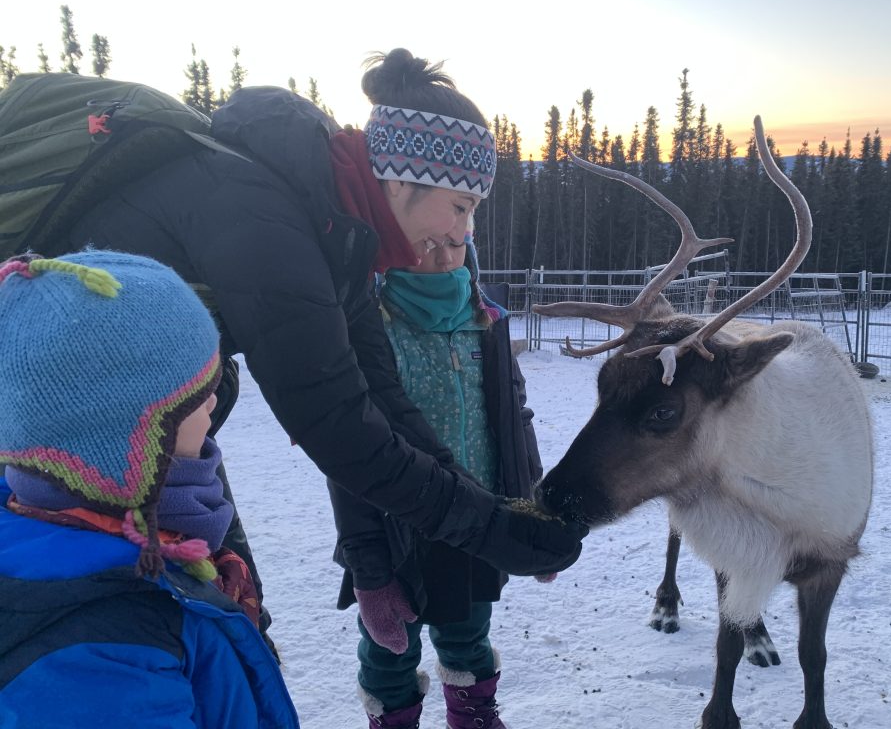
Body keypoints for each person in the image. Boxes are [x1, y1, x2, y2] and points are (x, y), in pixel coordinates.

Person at [54, 49, 586, 655]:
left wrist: (492, 512)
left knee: (232, 619)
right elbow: (335, 422)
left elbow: (382, 398)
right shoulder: (267, 217)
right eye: (462, 208)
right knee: (185, 629)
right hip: (75, 434)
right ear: (404, 175)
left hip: (153, 420)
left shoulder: (339, 234)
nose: (464, 235)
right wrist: (489, 528)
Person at [0, 250, 298, 728]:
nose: (214, 403)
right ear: (121, 439)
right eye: (196, 394)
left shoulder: (144, 543)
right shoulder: (101, 655)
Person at [347, 213, 544, 727]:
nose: (443, 258)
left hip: (476, 517)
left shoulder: (487, 321)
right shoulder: (370, 327)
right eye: (426, 243)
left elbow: (514, 416)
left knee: (470, 630)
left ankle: (473, 714)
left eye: (455, 243)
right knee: (389, 645)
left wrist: (535, 510)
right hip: (396, 526)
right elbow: (347, 453)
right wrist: (369, 570)